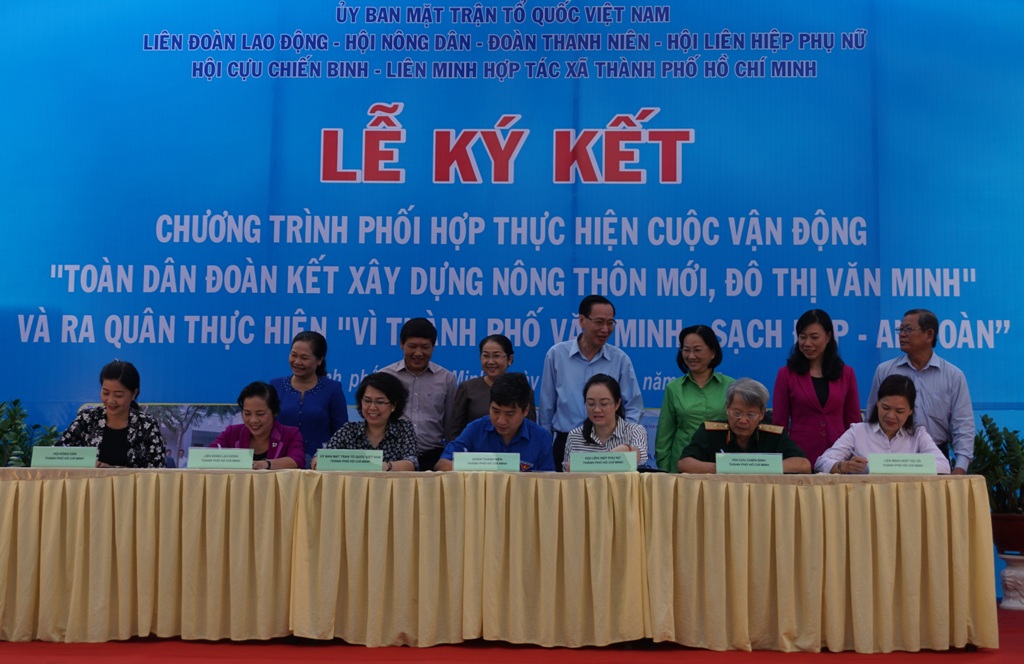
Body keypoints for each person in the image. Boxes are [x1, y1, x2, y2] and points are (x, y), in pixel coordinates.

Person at [539, 295, 643, 472]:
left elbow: (633, 405)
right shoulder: (557, 355)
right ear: (582, 320)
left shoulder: (620, 359)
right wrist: (545, 446)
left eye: (610, 323)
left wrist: (625, 440)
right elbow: (547, 408)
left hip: (609, 444)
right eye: (599, 322)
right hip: (566, 442)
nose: (605, 329)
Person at [867, 308, 974, 474]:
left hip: (936, 457)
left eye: (908, 329)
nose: (902, 335)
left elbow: (963, 425)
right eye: (900, 329)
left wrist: (960, 467)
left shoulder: (953, 376)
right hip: (892, 458)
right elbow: (872, 417)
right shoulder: (885, 371)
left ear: (929, 335)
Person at [771, 309, 861, 466]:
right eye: (802, 337)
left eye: (814, 337)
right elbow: (779, 423)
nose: (807, 343)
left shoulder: (846, 373)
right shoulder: (786, 374)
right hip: (799, 456)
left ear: (828, 337)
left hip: (838, 458)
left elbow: (853, 421)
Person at [816, 375, 950, 474]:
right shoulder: (858, 431)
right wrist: (844, 466)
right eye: (885, 408)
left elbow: (943, 466)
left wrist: (896, 466)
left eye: (899, 411)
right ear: (877, 403)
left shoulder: (918, 435)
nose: (891, 416)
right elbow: (821, 462)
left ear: (910, 411)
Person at [679, 378, 811, 474]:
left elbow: (803, 465)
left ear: (762, 414)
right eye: (737, 413)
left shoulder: (773, 435)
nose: (742, 420)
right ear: (727, 408)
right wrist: (723, 467)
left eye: (751, 415)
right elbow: (685, 464)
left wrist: (758, 467)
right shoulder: (709, 432)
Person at [57, 360, 167, 468]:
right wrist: (85, 463)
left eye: (118, 395)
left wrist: (113, 471)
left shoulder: (147, 425)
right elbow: (59, 454)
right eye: (105, 393)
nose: (110, 400)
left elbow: (158, 469)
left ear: (134, 393)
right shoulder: (87, 419)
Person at [435, 372, 554, 472]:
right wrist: (482, 468)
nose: (501, 421)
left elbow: (548, 481)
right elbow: (442, 464)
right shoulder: (475, 429)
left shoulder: (541, 438)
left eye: (510, 414)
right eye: (495, 411)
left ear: (525, 410)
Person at [381, 317, 458, 471]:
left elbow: (450, 426)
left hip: (433, 458)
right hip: (394, 459)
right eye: (412, 346)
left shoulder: (446, 379)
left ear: (433, 347)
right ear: (401, 344)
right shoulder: (385, 377)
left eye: (425, 347)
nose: (418, 353)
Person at [655, 324, 734, 473]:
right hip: (681, 468)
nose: (691, 356)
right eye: (686, 350)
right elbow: (664, 438)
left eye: (697, 350)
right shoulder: (674, 388)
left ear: (712, 352)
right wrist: (665, 473)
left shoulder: (731, 386)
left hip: (721, 467)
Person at [270, 331, 348, 467]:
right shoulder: (275, 386)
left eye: (304, 358)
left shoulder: (332, 389)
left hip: (320, 466)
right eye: (294, 355)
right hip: (281, 464)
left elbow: (342, 433)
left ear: (319, 360)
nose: (297, 362)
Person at [312, 372, 419, 471]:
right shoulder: (349, 430)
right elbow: (318, 458)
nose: (372, 407)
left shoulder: (404, 429)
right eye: (367, 401)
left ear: (393, 405)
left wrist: (383, 466)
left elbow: (412, 463)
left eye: (380, 402)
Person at [452, 334, 536, 438]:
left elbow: (531, 430)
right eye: (486, 356)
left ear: (510, 359)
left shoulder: (523, 390)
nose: (491, 362)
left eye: (496, 356)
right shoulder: (467, 388)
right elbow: (455, 430)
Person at [563, 374, 648, 470]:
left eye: (604, 403)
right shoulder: (574, 436)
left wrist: (628, 450)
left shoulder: (634, 431)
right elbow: (566, 473)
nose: (597, 410)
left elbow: (640, 455)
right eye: (591, 403)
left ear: (617, 404)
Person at [212, 382, 303, 470]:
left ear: (275, 412)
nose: (253, 420)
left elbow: (297, 461)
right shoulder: (232, 433)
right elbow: (209, 456)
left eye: (260, 414)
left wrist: (265, 464)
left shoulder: (291, 434)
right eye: (247, 414)